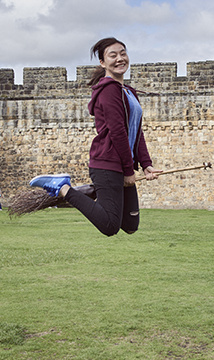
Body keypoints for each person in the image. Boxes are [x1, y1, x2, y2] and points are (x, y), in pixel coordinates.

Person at [29, 37, 161, 236]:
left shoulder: (128, 91)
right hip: (107, 164)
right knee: (110, 227)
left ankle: (94, 192)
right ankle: (63, 189)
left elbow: (136, 131)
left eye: (123, 53)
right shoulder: (109, 90)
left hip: (122, 165)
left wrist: (146, 163)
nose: (119, 58)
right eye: (112, 55)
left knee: (131, 224)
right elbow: (118, 133)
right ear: (102, 62)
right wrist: (128, 170)